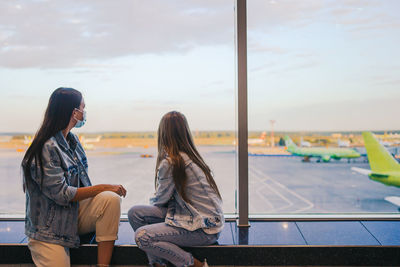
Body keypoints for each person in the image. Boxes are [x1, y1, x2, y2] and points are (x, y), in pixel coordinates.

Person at [22, 87, 127, 267]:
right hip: (49, 229)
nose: (84, 113)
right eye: (82, 108)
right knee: (107, 192)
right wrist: (104, 187)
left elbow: (82, 183)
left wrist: (105, 192)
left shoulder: (73, 141)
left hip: (70, 216)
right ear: (74, 112)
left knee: (111, 200)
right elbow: (63, 194)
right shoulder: (46, 147)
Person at [128, 111, 224, 267]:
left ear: (163, 134)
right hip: (204, 221)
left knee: (142, 236)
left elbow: (160, 200)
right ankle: (158, 263)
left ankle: (194, 264)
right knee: (135, 213)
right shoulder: (190, 157)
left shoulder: (171, 162)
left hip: (204, 230)